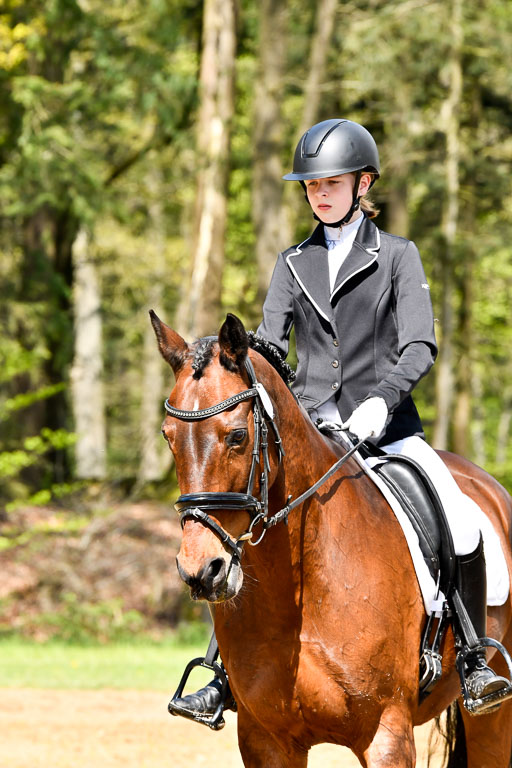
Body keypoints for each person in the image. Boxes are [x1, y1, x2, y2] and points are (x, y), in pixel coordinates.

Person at [169, 118, 512, 723]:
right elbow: (270, 350)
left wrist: (383, 400)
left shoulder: (399, 257)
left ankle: (475, 658)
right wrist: (231, 363)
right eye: (310, 186)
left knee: (461, 522)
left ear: (363, 182)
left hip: (389, 432)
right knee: (250, 530)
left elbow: (419, 346)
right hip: (316, 432)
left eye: (332, 183)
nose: (319, 194)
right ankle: (222, 674)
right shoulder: (292, 263)